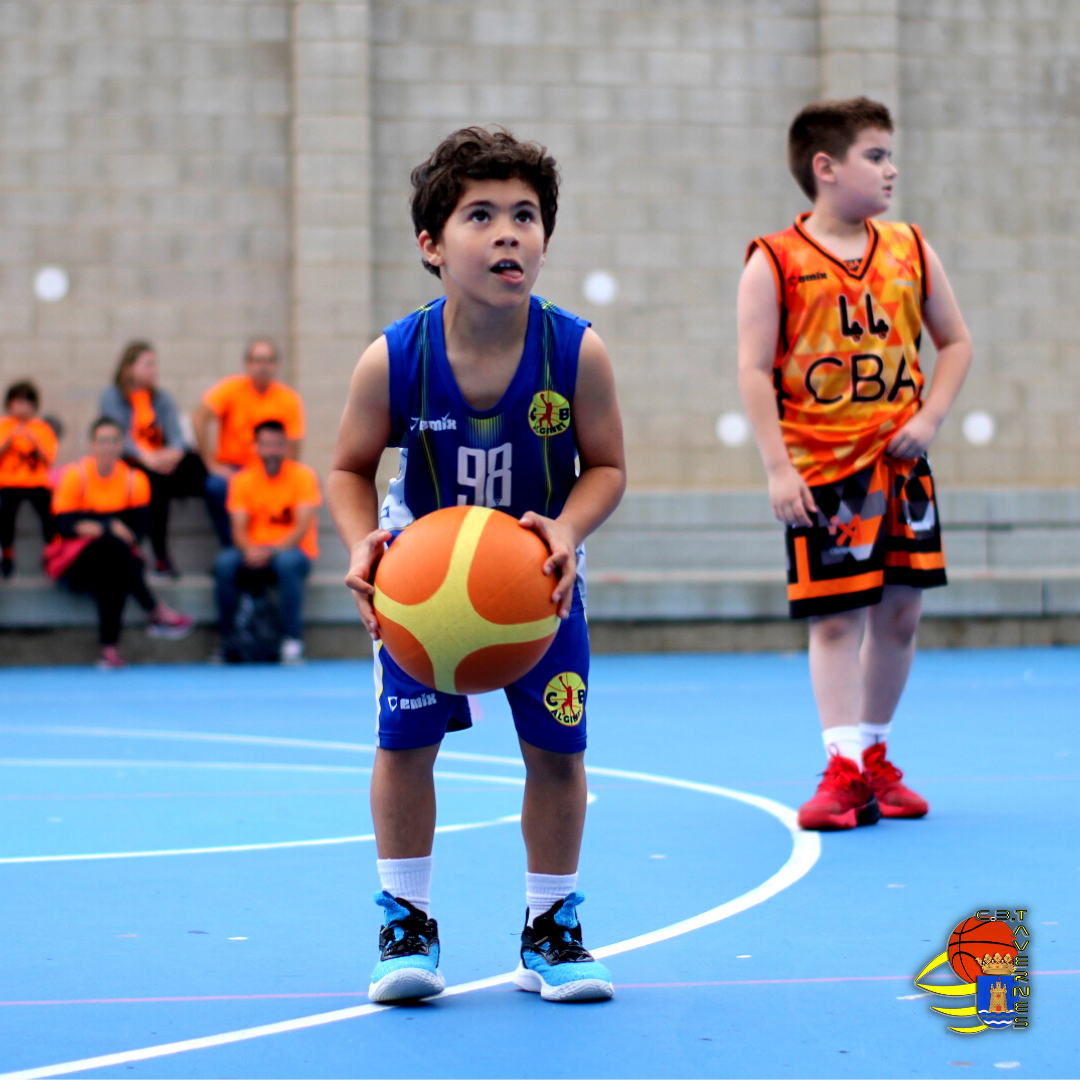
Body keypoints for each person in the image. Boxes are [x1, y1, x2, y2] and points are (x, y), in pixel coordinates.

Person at [328, 127, 626, 1004]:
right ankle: (406, 922)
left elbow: (608, 467)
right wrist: (361, 542)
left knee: (558, 752)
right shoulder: (396, 358)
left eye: (525, 216)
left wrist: (567, 528)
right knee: (404, 746)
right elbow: (347, 468)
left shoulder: (575, 352)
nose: (508, 234)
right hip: (420, 589)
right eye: (481, 215)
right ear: (432, 244)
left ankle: (551, 927)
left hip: (540, 584)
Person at [737, 98, 973, 831]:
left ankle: (873, 756)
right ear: (826, 167)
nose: (891, 169)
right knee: (836, 620)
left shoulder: (910, 247)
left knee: (901, 613)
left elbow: (956, 342)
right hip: (824, 471)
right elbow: (753, 370)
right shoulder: (775, 259)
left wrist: (929, 418)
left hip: (901, 467)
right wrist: (778, 469)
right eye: (876, 155)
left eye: (890, 154)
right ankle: (840, 767)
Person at [50, 418, 195, 669]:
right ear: (92, 445)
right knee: (112, 548)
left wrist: (94, 525)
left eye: (114, 441)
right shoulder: (77, 476)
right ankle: (153, 610)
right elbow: (63, 525)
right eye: (102, 441)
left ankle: (109, 650)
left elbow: (136, 533)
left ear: (122, 445)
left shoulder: (134, 480)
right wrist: (110, 526)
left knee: (112, 564)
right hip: (74, 563)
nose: (108, 447)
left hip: (116, 560)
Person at [214, 420, 321, 664]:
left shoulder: (304, 477)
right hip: (252, 552)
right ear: (256, 447)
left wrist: (270, 551)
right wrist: (251, 550)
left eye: (277, 444)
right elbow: (238, 530)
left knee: (287, 563)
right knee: (224, 563)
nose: (272, 451)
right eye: (266, 444)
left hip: (293, 552)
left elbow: (301, 528)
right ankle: (226, 640)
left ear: (286, 447)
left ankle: (292, 640)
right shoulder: (241, 480)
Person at [99, 341, 208, 577]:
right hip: (132, 461)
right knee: (155, 481)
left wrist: (174, 453)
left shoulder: (161, 397)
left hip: (161, 459)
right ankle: (161, 555)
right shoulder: (113, 396)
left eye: (154, 365)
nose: (153, 370)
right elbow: (118, 436)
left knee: (199, 465)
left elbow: (176, 435)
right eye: (148, 364)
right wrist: (145, 457)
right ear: (129, 367)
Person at [193, 340, 305, 547]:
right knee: (215, 486)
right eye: (258, 360)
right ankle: (234, 547)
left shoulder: (288, 399)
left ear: (276, 365)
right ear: (248, 364)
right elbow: (199, 416)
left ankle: (266, 548)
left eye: (269, 360)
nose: (263, 366)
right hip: (234, 470)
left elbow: (293, 447)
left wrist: (280, 477)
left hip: (269, 469)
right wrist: (210, 463)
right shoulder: (231, 389)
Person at [0, 381, 57, 578]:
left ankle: (52, 553)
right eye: (18, 402)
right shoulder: (4, 426)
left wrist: (33, 441)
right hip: (9, 483)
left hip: (36, 483)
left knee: (49, 513)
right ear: (10, 404)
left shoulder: (42, 428)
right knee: (6, 515)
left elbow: (49, 460)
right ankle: (7, 555)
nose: (22, 407)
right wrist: (9, 439)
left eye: (27, 402)